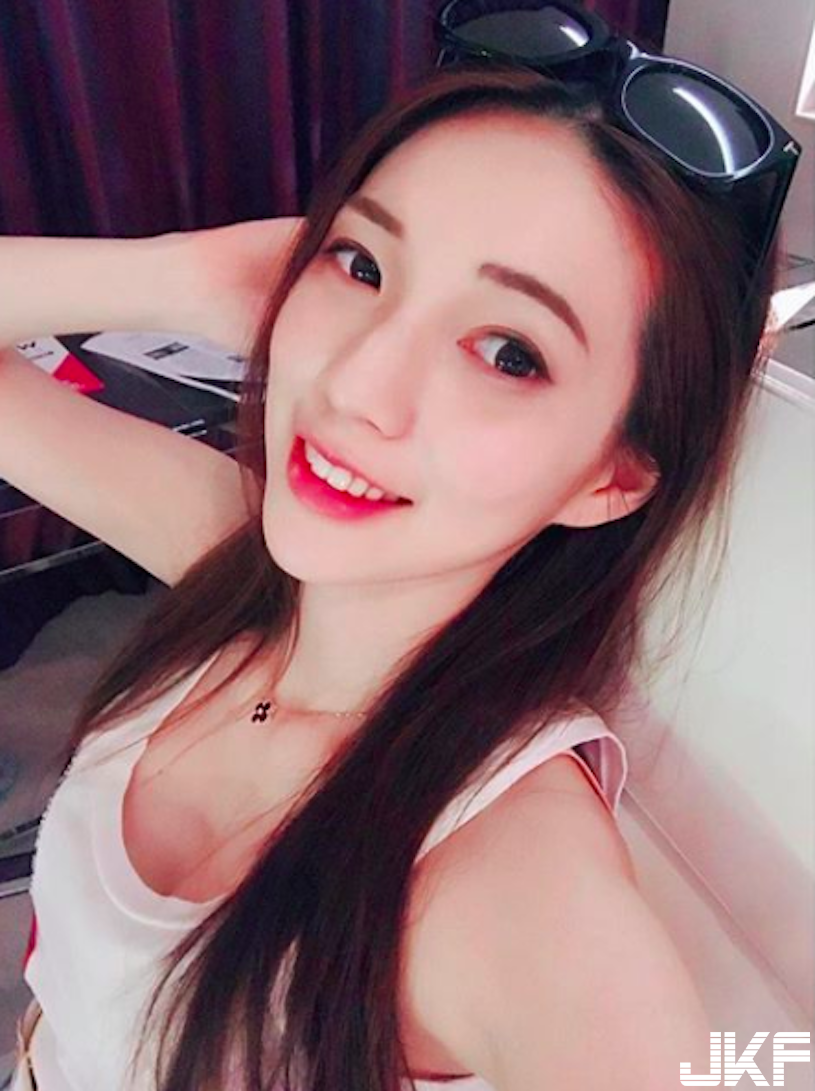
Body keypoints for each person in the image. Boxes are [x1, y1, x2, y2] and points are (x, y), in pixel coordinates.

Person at [1, 59, 788, 1091]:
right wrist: (181, 275)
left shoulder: (505, 881)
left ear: (610, 476)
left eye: (508, 353)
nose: (355, 383)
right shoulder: (245, 564)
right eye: (362, 264)